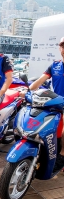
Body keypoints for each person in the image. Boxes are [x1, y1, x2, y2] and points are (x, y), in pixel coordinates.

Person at [20, 36, 64, 172]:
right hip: (55, 102)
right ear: (60, 48)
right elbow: (39, 81)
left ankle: (62, 156)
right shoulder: (55, 65)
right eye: (63, 45)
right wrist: (27, 91)